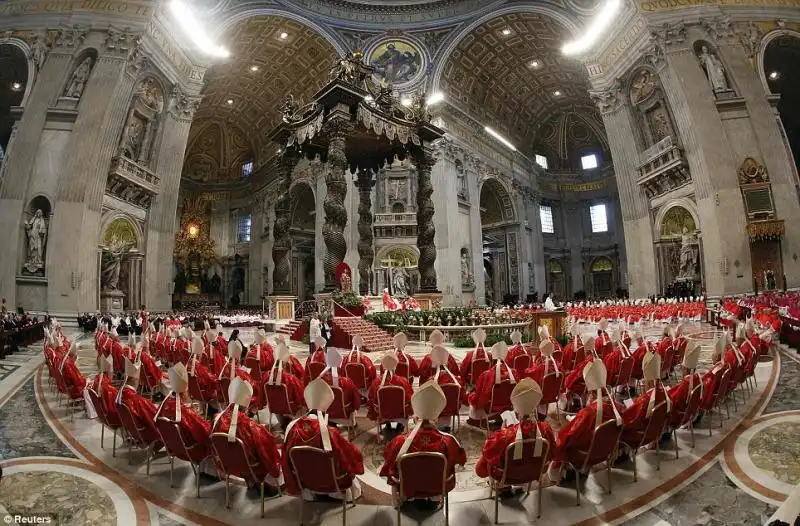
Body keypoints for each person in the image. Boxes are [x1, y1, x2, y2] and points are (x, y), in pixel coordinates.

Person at [380, 381, 466, 505]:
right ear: (436, 418)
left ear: (415, 418)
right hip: (437, 487)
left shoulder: (400, 441)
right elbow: (461, 459)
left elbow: (388, 460)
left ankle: (402, 500)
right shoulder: (448, 441)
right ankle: (434, 497)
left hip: (407, 487)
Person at [281, 379, 365, 501]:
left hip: (304, 482)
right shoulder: (330, 432)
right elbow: (351, 456)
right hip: (333, 482)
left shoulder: (291, 429)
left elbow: (285, 459)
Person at [475, 378, 557, 492]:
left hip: (507, 476)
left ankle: (503, 486)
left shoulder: (505, 435)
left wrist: (501, 431)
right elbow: (553, 453)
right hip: (534, 473)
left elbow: (485, 461)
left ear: (516, 409)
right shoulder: (546, 429)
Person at [211, 378, 281, 492]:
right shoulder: (251, 426)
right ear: (247, 406)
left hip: (226, 465)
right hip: (251, 468)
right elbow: (268, 454)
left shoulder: (216, 419)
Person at [555, 360, 623, 478]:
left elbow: (570, 435)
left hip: (587, 451)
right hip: (606, 450)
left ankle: (569, 472)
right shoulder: (616, 407)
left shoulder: (589, 412)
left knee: (564, 440)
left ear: (591, 393)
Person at [154, 364, 212, 463]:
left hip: (176, 448)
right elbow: (205, 433)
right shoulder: (185, 412)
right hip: (190, 451)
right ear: (185, 391)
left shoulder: (164, 404)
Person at [621, 351, 669, 445]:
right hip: (658, 428)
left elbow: (631, 421)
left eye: (645, 380)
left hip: (643, 433)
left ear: (650, 382)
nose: (644, 382)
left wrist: (628, 409)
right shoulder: (665, 393)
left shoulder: (644, 400)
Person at [116, 357, 163, 451]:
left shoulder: (121, 393)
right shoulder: (135, 399)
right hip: (144, 433)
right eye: (138, 380)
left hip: (133, 431)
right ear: (134, 380)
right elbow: (152, 417)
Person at [468, 342, 516, 423]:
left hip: (491, 408)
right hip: (508, 406)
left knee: (472, 396)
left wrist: (470, 397)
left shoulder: (487, 375)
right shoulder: (513, 373)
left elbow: (480, 397)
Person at [263, 341, 306, 418]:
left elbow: (262, 396)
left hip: (272, 406)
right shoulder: (291, 378)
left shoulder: (266, 376)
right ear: (285, 363)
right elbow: (301, 397)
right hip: (289, 408)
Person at [367, 352, 413, 423]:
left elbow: (370, 399)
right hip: (400, 413)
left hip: (381, 412)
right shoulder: (403, 381)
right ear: (396, 365)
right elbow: (410, 398)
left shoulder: (376, 382)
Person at [667, 342, 702, 429]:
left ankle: (665, 431)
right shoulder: (698, 378)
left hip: (680, 415)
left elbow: (677, 401)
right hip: (691, 411)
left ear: (685, 369)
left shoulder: (686, 382)